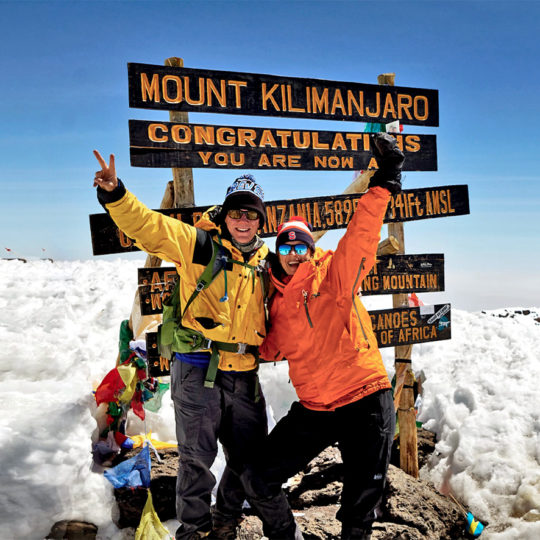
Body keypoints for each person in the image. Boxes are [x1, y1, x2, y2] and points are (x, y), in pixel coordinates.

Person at [92, 151, 272, 539]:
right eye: (237, 212)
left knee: (250, 459)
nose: (244, 221)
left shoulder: (265, 262)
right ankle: (194, 531)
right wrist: (116, 194)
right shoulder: (199, 245)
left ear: (261, 220)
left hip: (244, 375)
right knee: (195, 459)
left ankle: (225, 519)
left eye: (252, 214)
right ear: (225, 215)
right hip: (197, 367)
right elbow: (150, 227)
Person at [243, 133, 404, 540]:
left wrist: (385, 179)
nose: (295, 252)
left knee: (358, 513)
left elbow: (362, 235)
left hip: (365, 398)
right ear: (276, 252)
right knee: (258, 478)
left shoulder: (335, 276)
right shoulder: (274, 304)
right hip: (316, 408)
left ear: (312, 249)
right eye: (287, 245)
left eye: (302, 245)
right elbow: (268, 345)